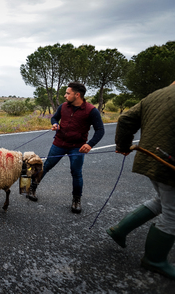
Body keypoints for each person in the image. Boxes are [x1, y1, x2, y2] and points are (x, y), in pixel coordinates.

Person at [106, 81, 175, 279]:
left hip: (150, 158)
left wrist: (124, 145)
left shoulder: (156, 93)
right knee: (173, 213)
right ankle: (155, 260)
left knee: (162, 200)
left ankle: (120, 229)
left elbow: (126, 118)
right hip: (169, 164)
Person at [27, 82, 105, 213]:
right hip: (59, 144)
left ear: (77, 95)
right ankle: (32, 188)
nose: (65, 95)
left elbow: (100, 130)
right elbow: (54, 118)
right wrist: (55, 124)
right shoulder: (63, 106)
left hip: (77, 148)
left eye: (68, 93)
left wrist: (90, 144)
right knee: (46, 166)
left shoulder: (91, 110)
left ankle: (76, 200)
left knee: (76, 173)